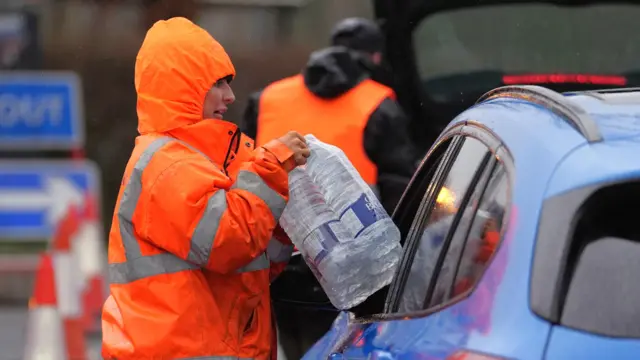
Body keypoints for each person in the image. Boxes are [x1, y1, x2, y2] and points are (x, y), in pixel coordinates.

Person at [101, 17, 310, 360]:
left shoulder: (193, 160)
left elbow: (252, 266)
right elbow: (228, 242)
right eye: (217, 84)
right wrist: (270, 170)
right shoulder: (168, 164)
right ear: (181, 88)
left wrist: (282, 224)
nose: (229, 96)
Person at [240, 17, 418, 214]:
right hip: (355, 232)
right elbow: (398, 183)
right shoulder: (379, 103)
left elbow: (240, 163)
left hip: (268, 227)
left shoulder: (267, 98)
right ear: (376, 57)